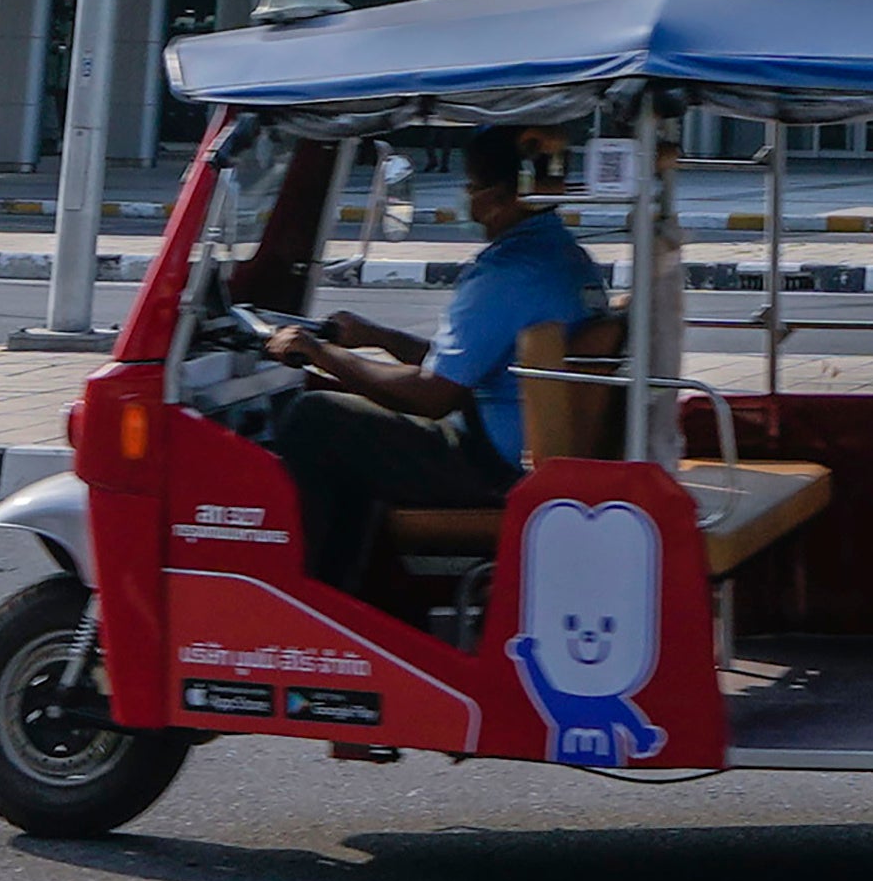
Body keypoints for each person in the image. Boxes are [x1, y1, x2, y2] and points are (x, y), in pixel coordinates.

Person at [244, 134, 610, 594]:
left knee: (313, 418)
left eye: (472, 186)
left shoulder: (508, 272)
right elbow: (464, 365)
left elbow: (434, 395)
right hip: (514, 443)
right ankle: (361, 593)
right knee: (347, 416)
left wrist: (323, 355)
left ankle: (310, 600)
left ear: (500, 197)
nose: (467, 199)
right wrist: (375, 337)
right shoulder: (563, 257)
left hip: (493, 465)